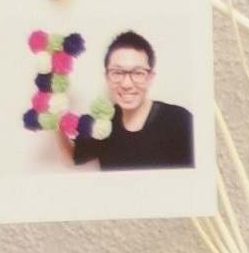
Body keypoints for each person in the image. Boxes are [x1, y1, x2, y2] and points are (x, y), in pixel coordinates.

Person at [62, 32, 195, 170]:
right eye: (117, 73)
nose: (126, 84)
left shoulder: (181, 121)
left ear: (150, 78)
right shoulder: (102, 122)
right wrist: (54, 116)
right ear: (107, 77)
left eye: (138, 73)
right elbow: (73, 156)